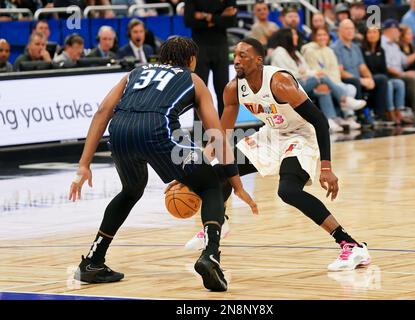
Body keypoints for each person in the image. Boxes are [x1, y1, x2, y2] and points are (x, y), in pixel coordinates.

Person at [68, 36, 258, 292]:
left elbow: (103, 111)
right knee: (211, 184)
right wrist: (236, 183)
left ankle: (93, 261)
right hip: (158, 131)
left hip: (120, 131)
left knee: (131, 190)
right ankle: (210, 255)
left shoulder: (136, 72)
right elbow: (217, 135)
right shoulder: (193, 79)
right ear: (191, 60)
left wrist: (84, 164)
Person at [186, 38, 371, 271]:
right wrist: (203, 157)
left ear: (259, 60)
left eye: (244, 55)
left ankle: (351, 245)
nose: (237, 60)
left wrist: (326, 167)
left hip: (302, 134)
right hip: (272, 134)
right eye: (236, 55)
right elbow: (222, 134)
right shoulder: (233, 89)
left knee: (288, 191)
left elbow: (319, 120)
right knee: (216, 174)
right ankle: (217, 224)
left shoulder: (279, 82)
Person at [184, 0, 237, 120]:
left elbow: (232, 21)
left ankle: (225, 133)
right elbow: (189, 21)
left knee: (223, 92)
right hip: (199, 47)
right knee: (198, 93)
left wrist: (206, 16)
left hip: (221, 46)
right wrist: (219, 18)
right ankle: (198, 135)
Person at [332, 19, 389, 124]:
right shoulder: (335, 48)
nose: (350, 31)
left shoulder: (355, 47)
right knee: (355, 81)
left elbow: (362, 67)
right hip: (345, 80)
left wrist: (370, 79)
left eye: (352, 29)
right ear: (339, 31)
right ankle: (360, 115)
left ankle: (380, 115)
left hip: (359, 79)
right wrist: (361, 80)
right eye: (347, 29)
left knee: (381, 79)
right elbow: (340, 72)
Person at [381, 19, 415, 123]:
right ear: (391, 30)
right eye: (398, 30)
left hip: (400, 74)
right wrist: (403, 73)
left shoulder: (394, 45)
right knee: (410, 78)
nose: (399, 33)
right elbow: (387, 67)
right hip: (390, 75)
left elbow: (405, 61)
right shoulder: (382, 44)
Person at [362, 26, 409, 125]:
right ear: (365, 35)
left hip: (382, 77)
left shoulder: (381, 50)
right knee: (387, 83)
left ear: (379, 35)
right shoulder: (362, 50)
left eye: (375, 32)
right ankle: (389, 112)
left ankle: (398, 111)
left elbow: (384, 69)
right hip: (369, 78)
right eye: (369, 33)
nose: (372, 35)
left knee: (399, 83)